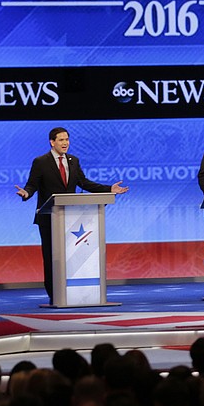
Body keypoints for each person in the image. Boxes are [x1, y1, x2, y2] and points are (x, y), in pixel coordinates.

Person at [15, 127, 129, 303]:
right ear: (52, 142)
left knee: (71, 256)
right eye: (61, 140)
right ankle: (55, 296)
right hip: (49, 218)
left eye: (67, 139)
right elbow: (32, 185)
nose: (65, 143)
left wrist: (109, 189)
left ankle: (74, 294)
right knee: (52, 257)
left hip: (71, 219)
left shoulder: (73, 160)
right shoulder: (41, 161)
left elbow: (84, 183)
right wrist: (26, 194)